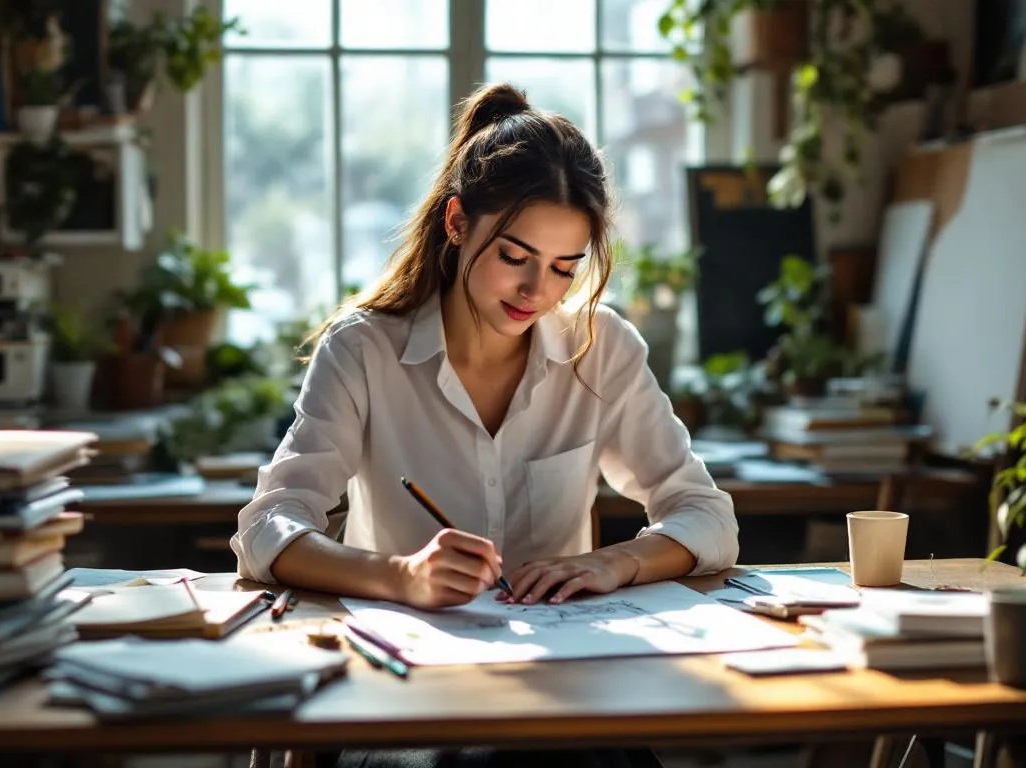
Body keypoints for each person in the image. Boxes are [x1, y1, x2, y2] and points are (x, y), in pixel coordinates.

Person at [231, 79, 737, 768]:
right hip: (406, 700)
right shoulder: (364, 352)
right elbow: (268, 528)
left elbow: (706, 517)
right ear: (457, 223)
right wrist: (402, 575)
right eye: (514, 257)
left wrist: (613, 562)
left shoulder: (602, 349)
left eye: (564, 268)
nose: (538, 293)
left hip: (559, 693)